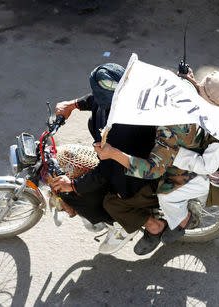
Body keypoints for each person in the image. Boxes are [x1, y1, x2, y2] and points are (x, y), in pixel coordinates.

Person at [94, 70, 219, 255]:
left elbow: (152, 169)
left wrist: (115, 154)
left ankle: (183, 220)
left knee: (165, 196)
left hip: (196, 166)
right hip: (190, 151)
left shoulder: (179, 126)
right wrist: (187, 79)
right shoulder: (186, 89)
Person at [50, 63, 158, 254]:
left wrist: (73, 185)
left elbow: (106, 172)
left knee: (106, 202)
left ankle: (151, 225)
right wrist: (74, 104)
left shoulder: (121, 126)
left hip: (134, 174)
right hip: (115, 158)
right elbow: (96, 99)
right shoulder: (125, 94)